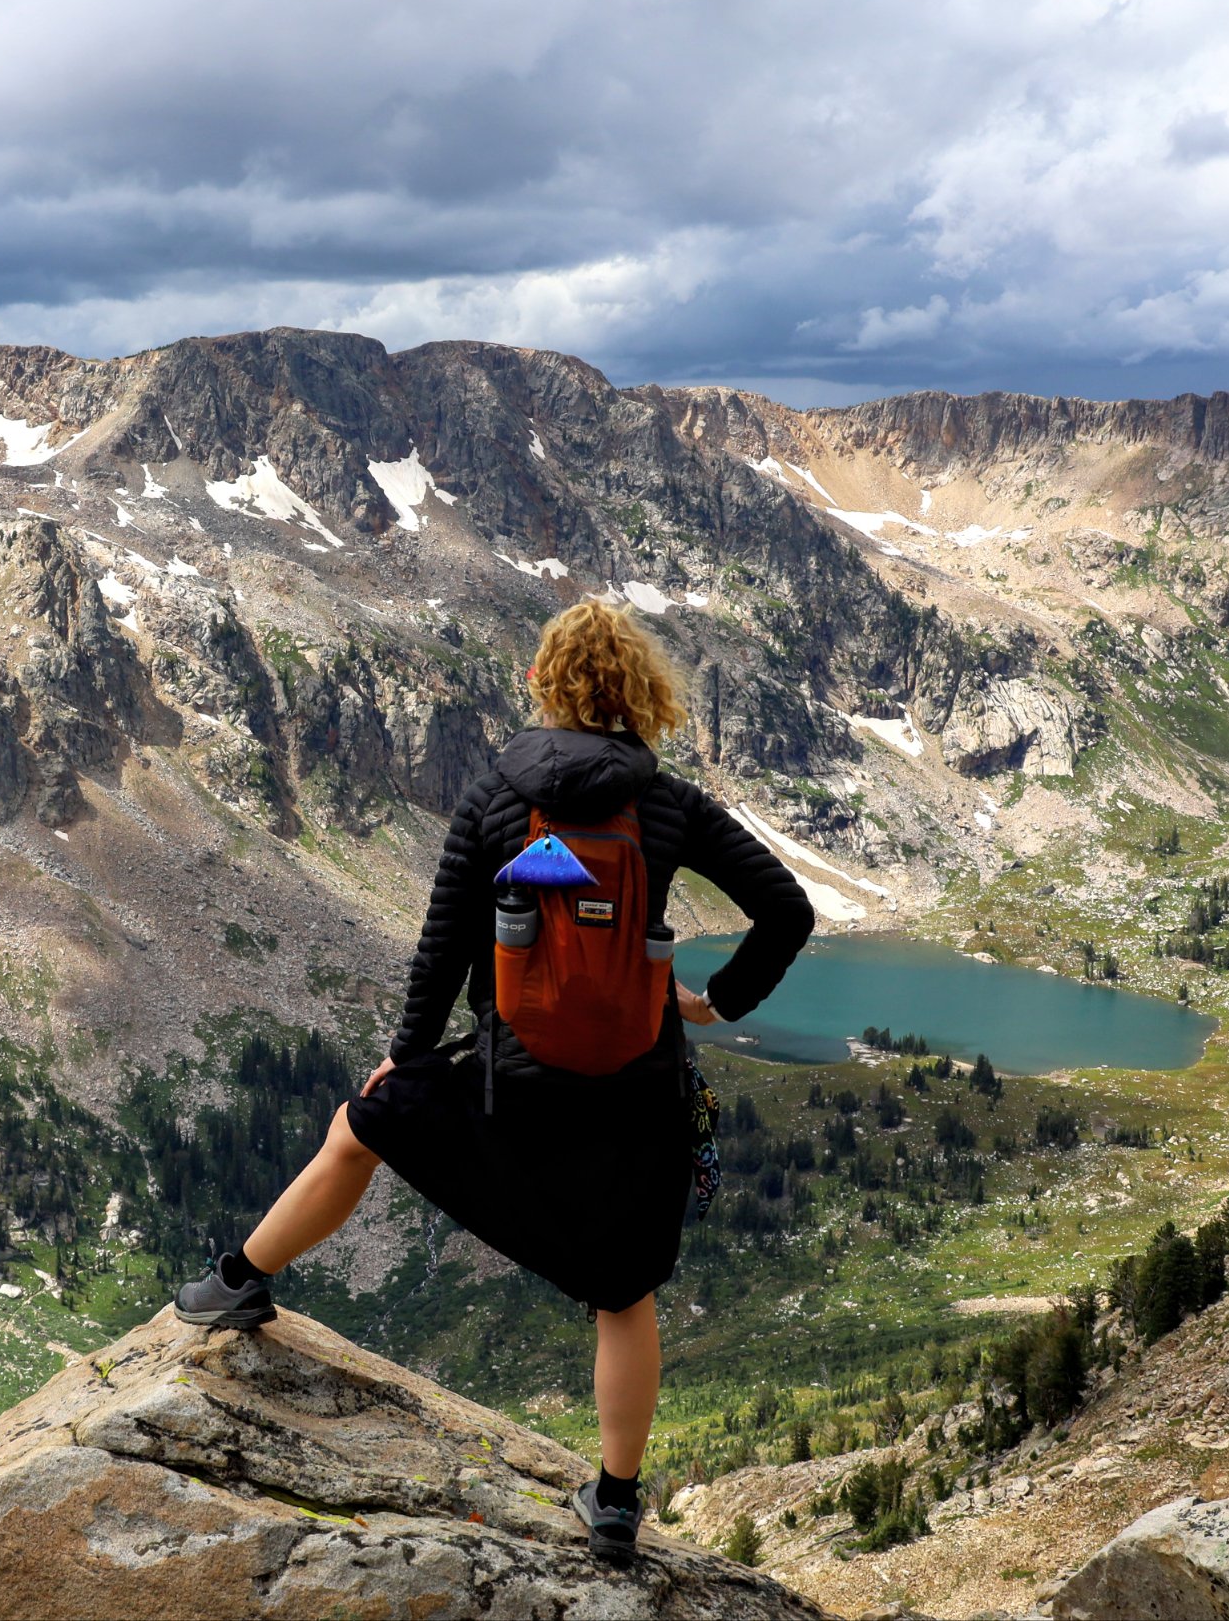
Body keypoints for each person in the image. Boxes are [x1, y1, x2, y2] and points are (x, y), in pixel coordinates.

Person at [172, 599, 814, 1564]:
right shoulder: (670, 804)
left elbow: (440, 947)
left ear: (543, 682)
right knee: (624, 1294)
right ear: (640, 693)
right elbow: (787, 909)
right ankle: (614, 1502)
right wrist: (714, 1003)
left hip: (507, 1087)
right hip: (635, 1092)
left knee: (359, 1127)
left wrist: (406, 1054)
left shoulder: (495, 798)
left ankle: (237, 1282)